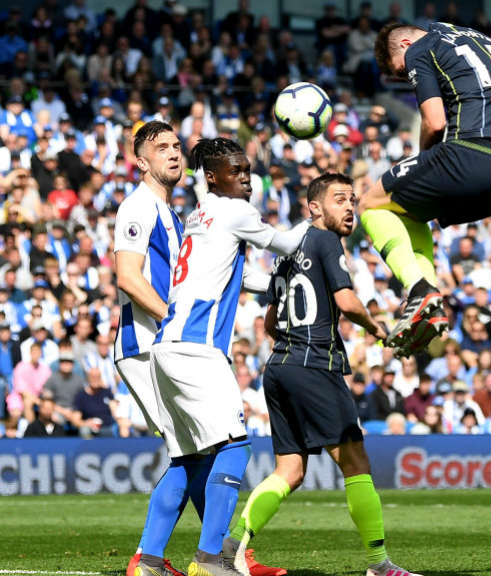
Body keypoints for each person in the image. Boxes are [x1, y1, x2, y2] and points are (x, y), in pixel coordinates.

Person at [226, 173, 418, 576]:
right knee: (356, 463)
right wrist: (379, 330)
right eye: (339, 200)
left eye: (352, 200)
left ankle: (232, 550)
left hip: (278, 367)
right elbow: (347, 303)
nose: (349, 207)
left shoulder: (285, 254)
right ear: (315, 207)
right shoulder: (326, 241)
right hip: (314, 364)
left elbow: (271, 324)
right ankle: (378, 565)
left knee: (290, 471)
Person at [149, 138, 309, 576]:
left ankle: (146, 562)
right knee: (236, 447)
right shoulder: (234, 210)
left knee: (187, 459)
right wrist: (316, 217)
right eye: (235, 171)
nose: (246, 178)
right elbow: (289, 245)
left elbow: (238, 276)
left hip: (166, 347)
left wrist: (274, 285)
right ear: (212, 177)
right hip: (198, 348)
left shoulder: (199, 216)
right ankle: (209, 560)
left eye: (247, 170)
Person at [365, 22, 491, 355]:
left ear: (403, 43)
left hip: (470, 154)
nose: (406, 78)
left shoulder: (419, 49)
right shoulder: (483, 43)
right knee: (410, 214)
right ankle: (427, 304)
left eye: (401, 73)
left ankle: (418, 290)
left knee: (371, 204)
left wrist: (424, 163)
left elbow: (435, 122)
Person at [114, 121, 208, 576]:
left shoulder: (171, 214)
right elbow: (128, 278)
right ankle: (221, 557)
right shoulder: (137, 206)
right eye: (161, 147)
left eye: (176, 145)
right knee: (199, 447)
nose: (174, 153)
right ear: (141, 160)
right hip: (145, 345)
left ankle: (149, 560)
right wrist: (176, 322)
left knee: (193, 450)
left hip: (165, 346)